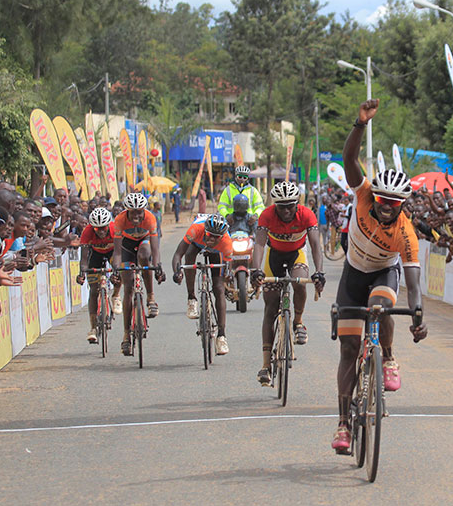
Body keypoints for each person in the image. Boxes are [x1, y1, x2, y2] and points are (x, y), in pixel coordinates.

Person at [329, 99, 426, 454]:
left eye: (393, 204)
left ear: (402, 206)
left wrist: (418, 316)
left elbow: (413, 284)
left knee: (381, 306)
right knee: (349, 348)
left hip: (384, 271)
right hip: (353, 273)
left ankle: (387, 355)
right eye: (382, 200)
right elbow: (350, 160)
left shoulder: (406, 234)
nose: (384, 207)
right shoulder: (363, 193)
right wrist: (359, 123)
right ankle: (342, 424)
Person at [250, 181, 324, 384]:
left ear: (297, 202)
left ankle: (298, 322)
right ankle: (265, 365)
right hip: (273, 257)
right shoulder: (267, 215)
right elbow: (258, 244)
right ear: (275, 206)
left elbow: (316, 244)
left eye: (290, 205)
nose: (286, 210)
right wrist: (256, 270)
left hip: (297, 254)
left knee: (300, 282)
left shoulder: (306, 214)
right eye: (281, 206)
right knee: (270, 307)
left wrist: (319, 272)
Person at [111, 193, 165, 356]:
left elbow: (155, 249)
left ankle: (151, 297)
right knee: (128, 288)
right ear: (127, 211)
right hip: (126, 246)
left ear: (144, 211)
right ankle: (126, 334)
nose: (136, 216)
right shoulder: (119, 220)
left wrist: (157, 266)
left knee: (144, 256)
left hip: (144, 241)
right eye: (132, 212)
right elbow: (118, 252)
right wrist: (116, 268)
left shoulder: (150, 218)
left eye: (139, 212)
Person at [171, 214, 233, 355]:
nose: (211, 239)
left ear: (221, 236)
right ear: (205, 230)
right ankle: (191, 298)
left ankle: (222, 336)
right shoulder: (196, 229)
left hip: (217, 253)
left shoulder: (226, 242)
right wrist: (177, 272)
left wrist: (228, 276)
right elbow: (177, 254)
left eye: (216, 237)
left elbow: (229, 265)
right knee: (189, 255)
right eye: (210, 235)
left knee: (219, 289)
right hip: (196, 243)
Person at [76, 208, 122, 344]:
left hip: (113, 252)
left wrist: (116, 272)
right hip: (95, 254)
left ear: (108, 225)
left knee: (119, 271)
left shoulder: (115, 229)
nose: (101, 232)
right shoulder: (87, 232)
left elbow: (119, 255)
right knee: (94, 290)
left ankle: (116, 295)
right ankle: (93, 327)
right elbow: (84, 259)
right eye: (97, 229)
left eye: (103, 228)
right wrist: (81, 273)